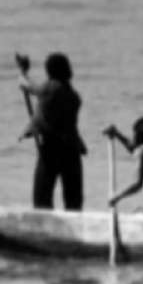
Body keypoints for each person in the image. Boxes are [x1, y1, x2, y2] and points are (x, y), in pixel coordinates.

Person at [17, 52, 86, 211]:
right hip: (72, 151)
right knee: (73, 202)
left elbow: (27, 86)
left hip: (52, 151)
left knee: (41, 199)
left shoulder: (51, 87)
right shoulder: (73, 95)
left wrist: (22, 71)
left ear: (49, 71)